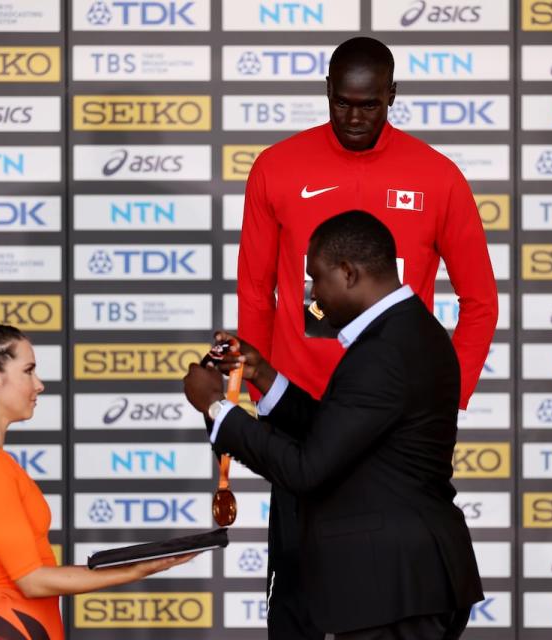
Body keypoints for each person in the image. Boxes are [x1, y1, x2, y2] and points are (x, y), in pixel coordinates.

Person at [236, 36, 498, 638]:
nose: (356, 117)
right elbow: (256, 291)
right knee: (300, 594)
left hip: (391, 418)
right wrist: (258, 390)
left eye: (370, 104)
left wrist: (441, 397)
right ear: (328, 93)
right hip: (300, 411)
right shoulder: (276, 166)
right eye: (343, 103)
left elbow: (481, 301)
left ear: (392, 97)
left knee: (390, 589)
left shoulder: (438, 176)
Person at [186, 211, 483, 639]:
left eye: (317, 279)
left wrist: (215, 406)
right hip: (408, 582)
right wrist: (263, 375)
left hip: (393, 588)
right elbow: (338, 433)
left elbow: (307, 469)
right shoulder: (408, 331)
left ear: (347, 273)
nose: (314, 296)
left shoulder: (383, 351)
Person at [0, 311, 196, 640]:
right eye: (28, 371)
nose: (39, 384)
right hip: (4, 626)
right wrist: (134, 569)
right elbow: (32, 580)